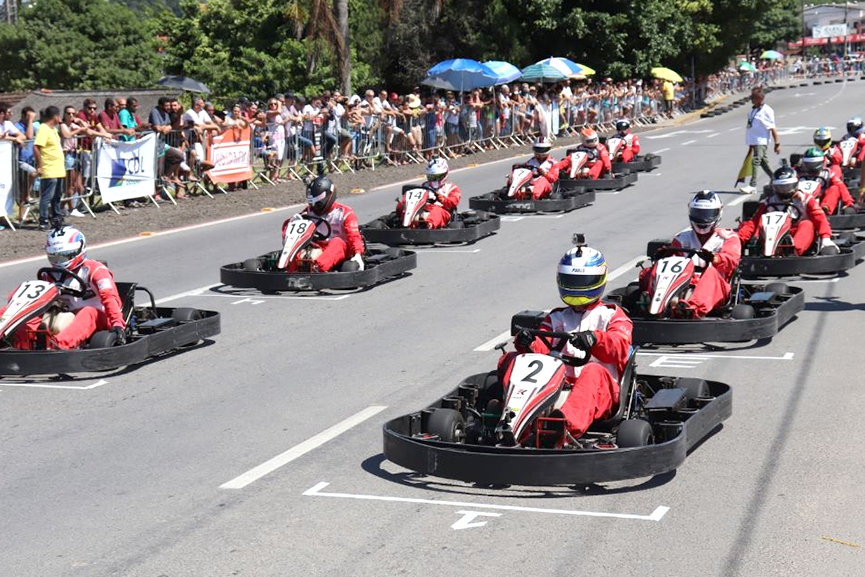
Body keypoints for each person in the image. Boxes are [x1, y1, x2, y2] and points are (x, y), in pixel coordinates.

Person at [499, 242, 633, 440]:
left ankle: (562, 427)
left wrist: (594, 339)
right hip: (554, 385)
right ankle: (510, 420)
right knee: (512, 359)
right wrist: (526, 342)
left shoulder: (611, 315)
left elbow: (620, 347)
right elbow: (541, 350)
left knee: (593, 371)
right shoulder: (557, 318)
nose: (577, 287)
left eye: (583, 281)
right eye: (571, 281)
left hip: (600, 392)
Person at [1, 227, 125, 350]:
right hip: (66, 314)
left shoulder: (95, 270)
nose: (59, 261)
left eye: (64, 256)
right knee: (25, 310)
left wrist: (117, 323)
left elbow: (109, 297)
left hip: (100, 317)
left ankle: (58, 345)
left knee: (88, 312)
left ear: (78, 250)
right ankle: (20, 341)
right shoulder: (49, 274)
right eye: (55, 257)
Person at [640, 191, 741, 318]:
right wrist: (665, 256)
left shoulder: (728, 237)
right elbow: (672, 262)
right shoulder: (682, 238)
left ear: (718, 213)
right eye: (698, 214)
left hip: (717, 286)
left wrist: (715, 258)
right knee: (653, 269)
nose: (703, 219)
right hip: (685, 282)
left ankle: (692, 310)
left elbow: (731, 261)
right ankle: (653, 303)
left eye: (707, 214)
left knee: (710, 273)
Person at [738, 165, 837, 256]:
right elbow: (753, 223)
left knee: (807, 224)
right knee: (761, 220)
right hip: (772, 235)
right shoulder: (768, 202)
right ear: (774, 187)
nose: (784, 191)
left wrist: (826, 237)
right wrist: (739, 239)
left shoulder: (805, 199)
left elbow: (819, 217)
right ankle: (763, 251)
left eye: (787, 187)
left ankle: (793, 252)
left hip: (797, 233)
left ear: (795, 185)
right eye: (780, 188)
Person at [282, 176, 365, 272]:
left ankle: (317, 268)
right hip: (317, 247)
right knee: (300, 242)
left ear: (328, 196)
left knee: (337, 242)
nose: (314, 207)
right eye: (311, 204)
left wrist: (358, 254)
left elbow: (354, 237)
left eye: (317, 204)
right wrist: (292, 222)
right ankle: (290, 268)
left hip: (340, 250)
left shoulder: (344, 213)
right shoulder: (308, 212)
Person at [396, 157, 461, 229]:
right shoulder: (424, 186)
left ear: (445, 174)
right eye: (431, 177)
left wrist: (442, 199)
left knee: (437, 212)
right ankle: (406, 225)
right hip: (423, 208)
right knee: (406, 207)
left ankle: (429, 225)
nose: (434, 180)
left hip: (442, 209)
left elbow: (453, 202)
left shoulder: (451, 188)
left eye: (437, 177)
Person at [739, 87, 780, 195]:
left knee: (755, 161)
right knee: (763, 163)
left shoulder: (767, 110)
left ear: (760, 99)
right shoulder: (753, 110)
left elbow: (772, 127)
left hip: (761, 141)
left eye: (753, 97)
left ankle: (753, 185)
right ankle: (776, 179)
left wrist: (777, 143)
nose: (751, 99)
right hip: (754, 141)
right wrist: (750, 143)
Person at [33, 106, 66, 230]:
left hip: (58, 169)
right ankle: (43, 220)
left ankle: (57, 219)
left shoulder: (53, 129)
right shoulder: (43, 129)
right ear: (56, 116)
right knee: (47, 196)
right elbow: (37, 147)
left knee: (57, 196)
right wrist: (40, 165)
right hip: (49, 168)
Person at [797, 147, 856, 215]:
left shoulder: (827, 173)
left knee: (835, 188)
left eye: (814, 164)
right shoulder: (799, 173)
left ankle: (825, 209)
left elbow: (840, 185)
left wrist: (848, 202)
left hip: (821, 199)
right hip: (801, 199)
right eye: (809, 164)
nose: (812, 167)